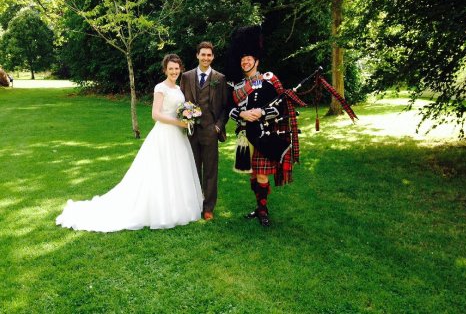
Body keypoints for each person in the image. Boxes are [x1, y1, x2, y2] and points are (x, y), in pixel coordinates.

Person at [56, 54, 203, 232]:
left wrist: (187, 117)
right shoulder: (160, 88)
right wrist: (178, 122)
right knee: (160, 172)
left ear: (180, 69)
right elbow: (155, 114)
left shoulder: (179, 88)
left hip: (178, 136)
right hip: (165, 134)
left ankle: (179, 207)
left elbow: (179, 109)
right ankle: (161, 211)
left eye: (176, 68)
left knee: (177, 170)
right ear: (165, 70)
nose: (173, 71)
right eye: (170, 68)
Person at [227, 26, 302, 227]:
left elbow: (281, 106)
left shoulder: (270, 79)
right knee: (253, 173)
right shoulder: (237, 86)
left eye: (249, 59)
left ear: (257, 61)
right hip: (245, 135)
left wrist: (261, 113)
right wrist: (241, 113)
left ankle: (263, 209)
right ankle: (259, 206)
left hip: (264, 134)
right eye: (243, 60)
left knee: (261, 173)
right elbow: (230, 109)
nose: (245, 62)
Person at [180, 42, 228, 220]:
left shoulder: (220, 78)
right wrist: (184, 119)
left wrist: (218, 126)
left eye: (209, 55)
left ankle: (208, 207)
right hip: (190, 131)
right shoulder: (186, 77)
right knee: (191, 169)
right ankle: (193, 205)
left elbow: (225, 107)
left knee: (210, 171)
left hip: (210, 131)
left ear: (213, 57)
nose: (206, 58)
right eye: (203, 54)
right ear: (197, 55)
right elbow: (181, 102)